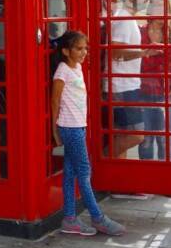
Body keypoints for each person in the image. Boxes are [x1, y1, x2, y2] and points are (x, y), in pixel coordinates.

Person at [52, 30, 126, 236]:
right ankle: (98, 218)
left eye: (85, 48)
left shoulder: (77, 68)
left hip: (79, 126)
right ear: (66, 51)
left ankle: (69, 219)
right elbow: (55, 101)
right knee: (84, 172)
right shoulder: (62, 71)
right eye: (78, 48)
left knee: (70, 173)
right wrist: (54, 130)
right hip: (70, 128)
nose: (84, 52)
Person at [110, 0, 161, 160]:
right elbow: (115, 52)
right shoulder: (124, 19)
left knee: (121, 135)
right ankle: (96, 159)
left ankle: (116, 173)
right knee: (137, 135)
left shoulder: (126, 18)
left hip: (125, 84)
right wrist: (144, 53)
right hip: (122, 86)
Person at [139, 0, 171, 160]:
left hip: (167, 92)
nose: (163, 12)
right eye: (159, 7)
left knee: (164, 137)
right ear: (151, 10)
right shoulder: (140, 32)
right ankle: (146, 172)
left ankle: (167, 171)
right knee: (145, 138)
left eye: (165, 8)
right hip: (143, 91)